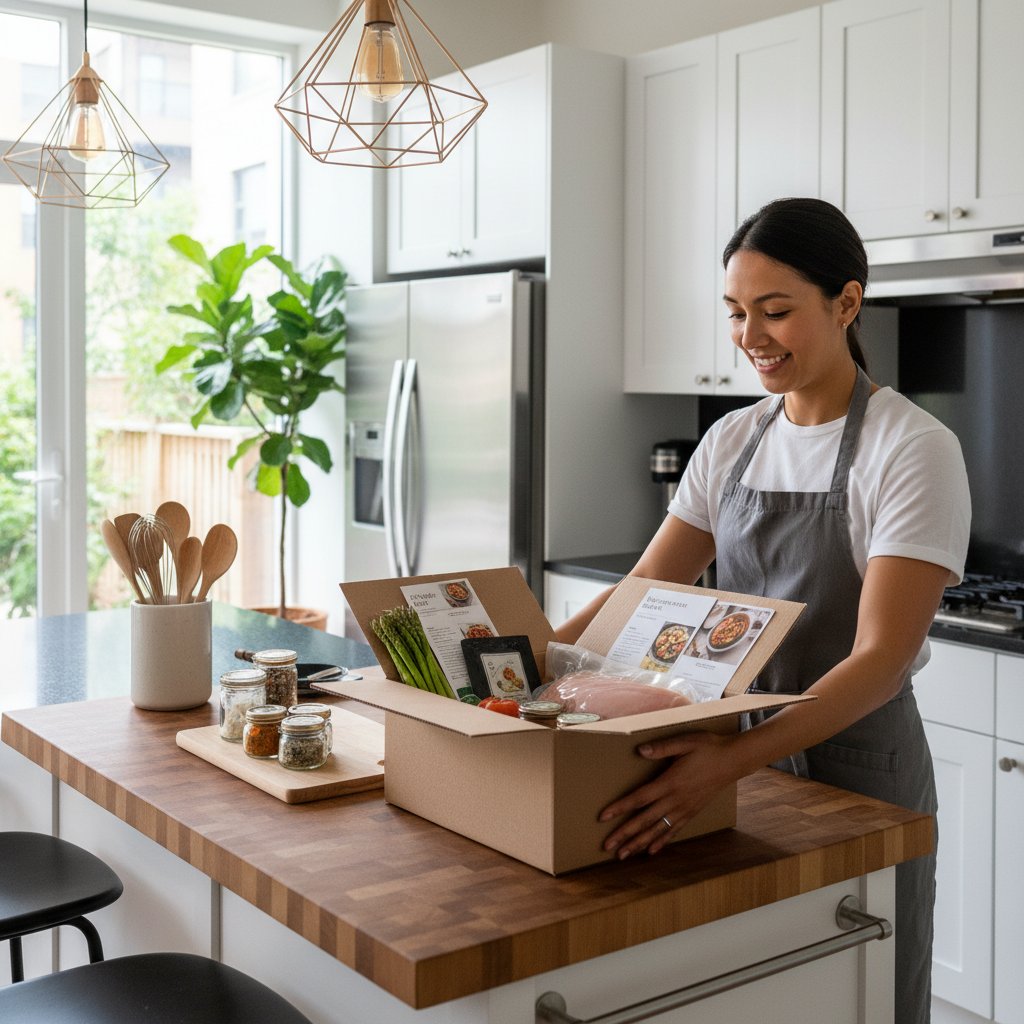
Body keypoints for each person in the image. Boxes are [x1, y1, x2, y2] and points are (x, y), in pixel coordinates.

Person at [556, 197, 971, 1024]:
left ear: (847, 304)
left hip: (860, 764)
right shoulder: (733, 439)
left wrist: (727, 764)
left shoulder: (912, 446)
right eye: (737, 313)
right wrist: (517, 664)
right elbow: (645, 591)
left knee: (868, 988)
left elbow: (881, 658)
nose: (751, 336)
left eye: (776, 311)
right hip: (737, 750)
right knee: (760, 985)